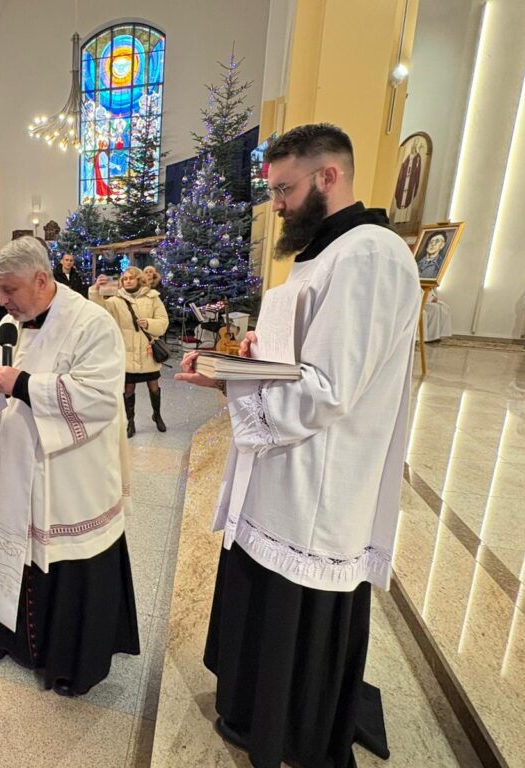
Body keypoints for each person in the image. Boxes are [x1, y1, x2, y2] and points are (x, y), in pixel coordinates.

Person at [175, 123, 419, 768]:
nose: (277, 204)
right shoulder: (324, 253)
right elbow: (296, 358)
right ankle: (253, 711)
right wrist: (237, 366)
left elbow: (329, 389)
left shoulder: (369, 255)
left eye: (284, 189)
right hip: (284, 465)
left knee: (295, 608)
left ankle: (292, 732)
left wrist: (236, 382)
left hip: (320, 478)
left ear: (328, 176)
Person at [0, 236, 140, 697]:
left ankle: (71, 661)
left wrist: (24, 383)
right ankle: (7, 634)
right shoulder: (10, 325)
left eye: (9, 290)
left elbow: (99, 398)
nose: (1, 301)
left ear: (41, 280)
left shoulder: (92, 324)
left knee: (65, 563)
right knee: (14, 548)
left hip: (70, 475)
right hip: (17, 467)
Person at [89, 266, 169, 436]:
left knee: (154, 387)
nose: (128, 281)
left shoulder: (152, 297)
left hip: (148, 353)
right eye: (125, 279)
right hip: (127, 354)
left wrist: (149, 323)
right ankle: (130, 421)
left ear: (139, 279)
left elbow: (163, 321)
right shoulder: (116, 300)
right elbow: (99, 309)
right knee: (128, 389)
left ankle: (157, 415)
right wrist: (96, 290)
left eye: (131, 278)